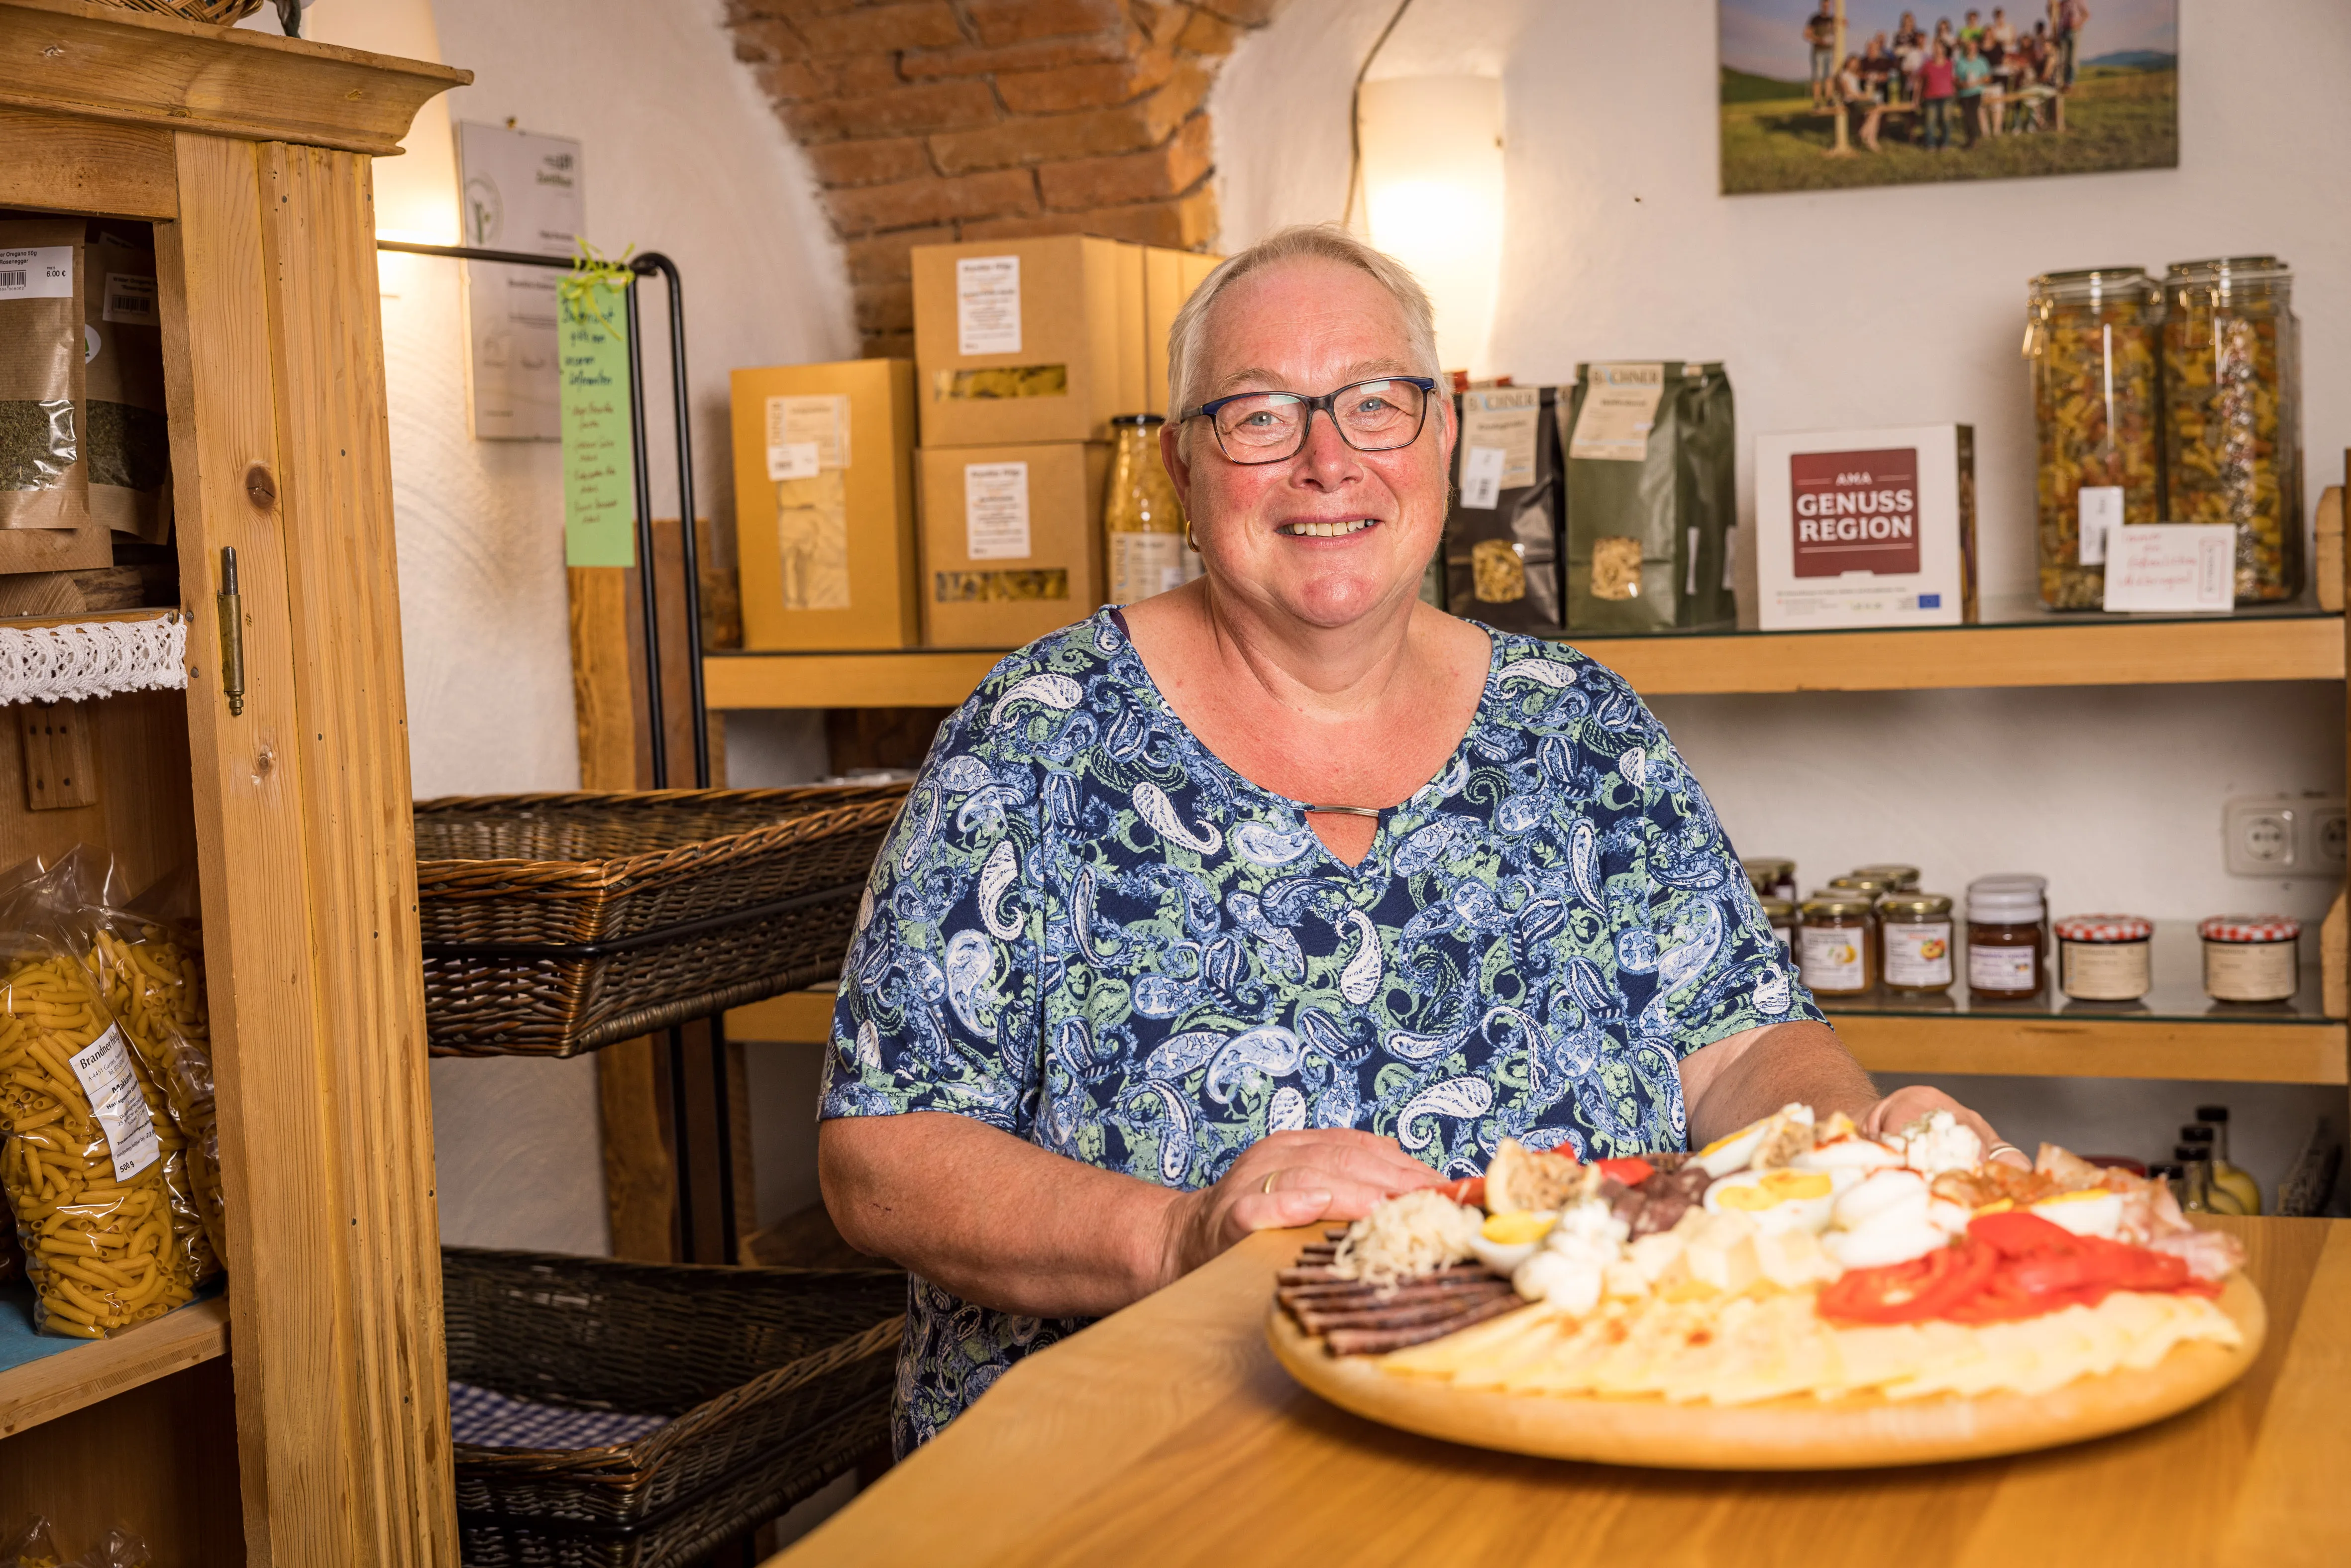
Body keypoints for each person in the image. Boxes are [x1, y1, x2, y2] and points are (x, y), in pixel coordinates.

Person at [816, 225, 2028, 1452]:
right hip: (1132, 1457)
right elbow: (883, 1155)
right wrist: (1175, 1236)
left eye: (1372, 405)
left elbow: (1740, 1043)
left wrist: (1853, 1146)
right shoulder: (1035, 736)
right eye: (1257, 417)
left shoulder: (1581, 728)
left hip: (1572, 1419)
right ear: (1182, 467)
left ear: (1440, 438)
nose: (1325, 461)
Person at [1918, 36, 1958, 149]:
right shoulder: (1927, 65)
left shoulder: (1950, 64)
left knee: (1947, 120)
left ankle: (1945, 142)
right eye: (1935, 47)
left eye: (1940, 47)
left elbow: (1955, 80)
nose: (1938, 50)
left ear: (1944, 49)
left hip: (1947, 96)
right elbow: (1920, 82)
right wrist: (1916, 99)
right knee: (1930, 121)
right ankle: (1931, 143)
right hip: (1930, 97)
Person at [1954, 34, 1992, 144]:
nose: (1971, 49)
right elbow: (1956, 79)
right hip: (1964, 93)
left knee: (1973, 114)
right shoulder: (1961, 62)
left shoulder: (1981, 61)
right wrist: (1962, 84)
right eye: (1969, 47)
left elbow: (1988, 77)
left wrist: (1977, 82)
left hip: (1976, 92)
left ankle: (1973, 138)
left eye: (1973, 47)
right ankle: (1970, 137)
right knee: (1966, 116)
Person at [1806, 2, 1839, 109]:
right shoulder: (1815, 19)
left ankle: (1829, 99)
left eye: (1828, 6)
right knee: (1818, 76)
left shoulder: (1832, 19)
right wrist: (1819, 40)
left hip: (1829, 52)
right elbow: (1807, 34)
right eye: (1824, 6)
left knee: (1829, 75)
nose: (1826, 8)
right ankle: (1817, 101)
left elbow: (1839, 28)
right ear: (1821, 6)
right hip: (1819, 51)